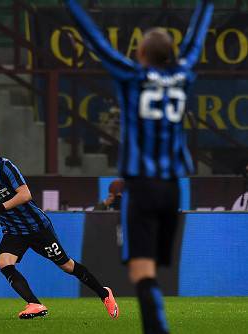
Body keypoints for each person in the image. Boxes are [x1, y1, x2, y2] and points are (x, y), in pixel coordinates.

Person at [63, 1, 213, 333]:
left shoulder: (133, 75)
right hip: (173, 185)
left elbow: (97, 41)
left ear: (142, 53)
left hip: (141, 186)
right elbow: (195, 39)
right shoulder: (183, 73)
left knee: (141, 272)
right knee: (153, 270)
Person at [0, 133, 118, 320]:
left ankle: (104, 294)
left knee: (67, 266)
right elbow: (0, 199)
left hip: (37, 227)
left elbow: (25, 195)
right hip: (14, 230)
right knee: (4, 263)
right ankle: (35, 304)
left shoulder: (4, 167)